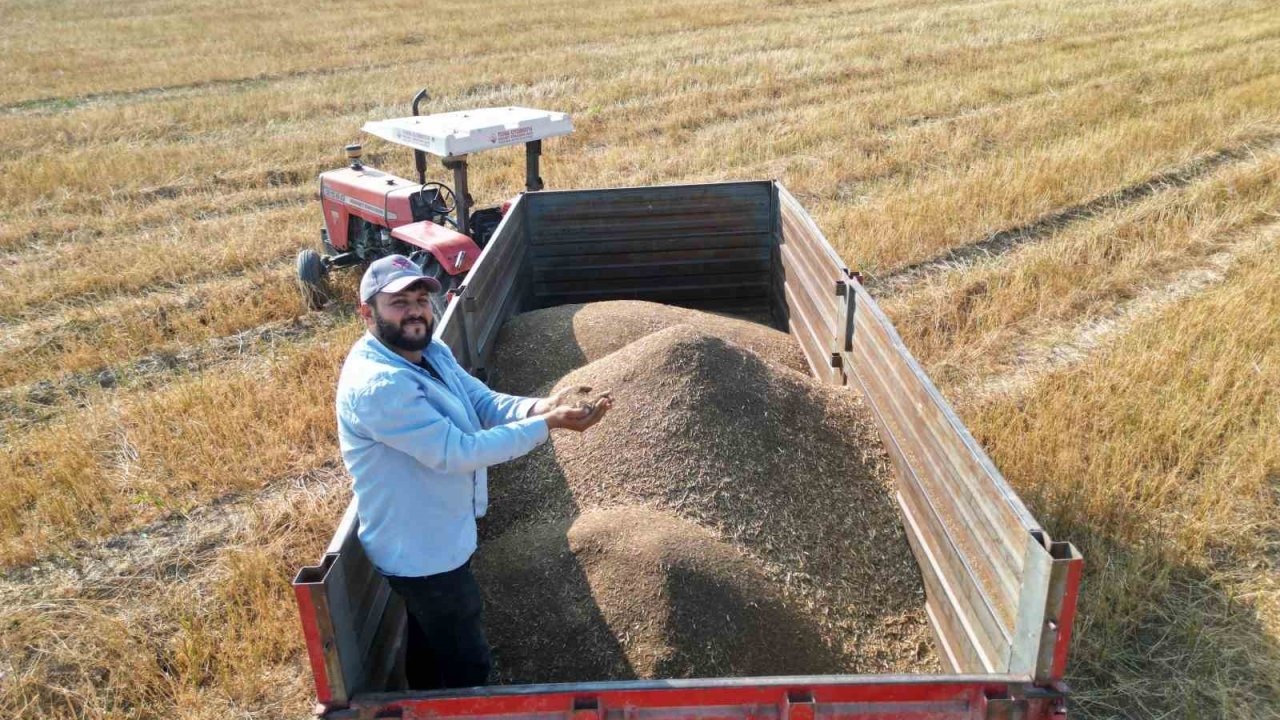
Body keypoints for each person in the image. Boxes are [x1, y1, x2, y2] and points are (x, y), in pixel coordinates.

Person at [335, 254, 612, 690]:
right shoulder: (380, 386)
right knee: (466, 661)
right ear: (367, 313)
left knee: (432, 644)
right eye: (398, 302)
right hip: (421, 552)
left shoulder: (430, 351)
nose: (415, 311)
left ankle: (424, 702)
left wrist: (545, 405)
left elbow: (484, 403)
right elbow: (458, 452)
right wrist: (548, 425)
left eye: (421, 299)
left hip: (437, 532)